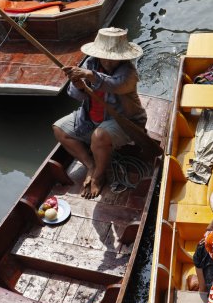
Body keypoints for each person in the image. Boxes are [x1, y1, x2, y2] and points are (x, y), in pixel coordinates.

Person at [53, 27, 146, 199]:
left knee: (99, 135)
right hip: (91, 117)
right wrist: (80, 86)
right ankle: (91, 165)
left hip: (124, 120)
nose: (109, 62)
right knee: (59, 128)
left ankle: (99, 175)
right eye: (106, 58)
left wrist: (90, 76)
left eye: (113, 59)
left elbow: (116, 85)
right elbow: (75, 94)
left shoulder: (128, 71)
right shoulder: (90, 63)